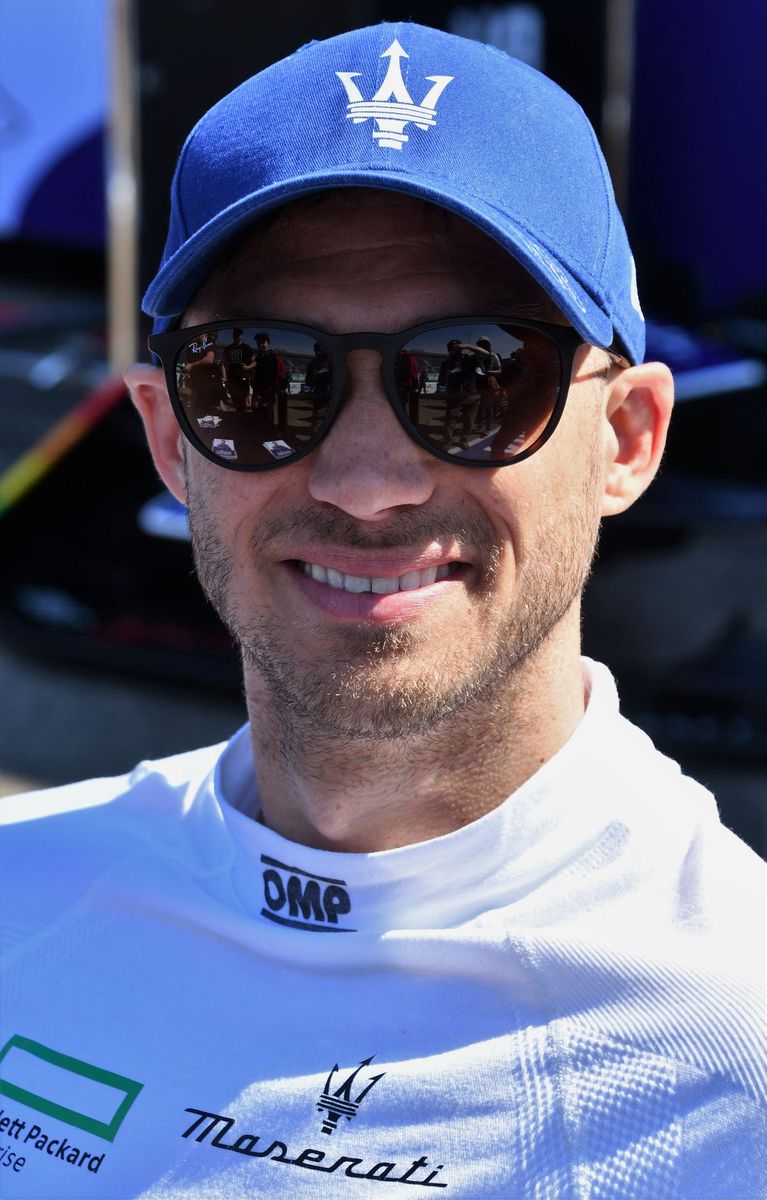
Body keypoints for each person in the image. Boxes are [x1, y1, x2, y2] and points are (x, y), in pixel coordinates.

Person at [1, 22, 764, 1200]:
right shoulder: (23, 895)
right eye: (258, 377)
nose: (365, 481)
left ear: (626, 439)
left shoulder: (732, 1054)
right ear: (169, 439)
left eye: (475, 377)